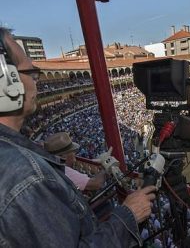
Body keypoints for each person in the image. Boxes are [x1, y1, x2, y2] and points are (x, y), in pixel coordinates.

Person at [0, 27, 155, 247]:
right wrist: (128, 214)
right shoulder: (25, 175)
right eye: (31, 73)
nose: (38, 82)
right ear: (6, 82)